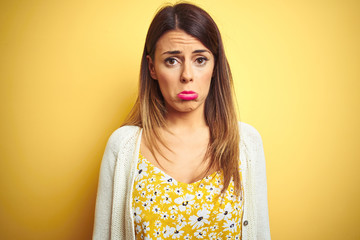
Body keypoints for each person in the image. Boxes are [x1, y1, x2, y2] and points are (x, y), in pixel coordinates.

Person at [93, 3, 270, 240]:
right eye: (172, 61)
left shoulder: (246, 144)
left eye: (200, 60)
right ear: (152, 67)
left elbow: (260, 234)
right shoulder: (123, 147)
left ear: (215, 65)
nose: (187, 75)